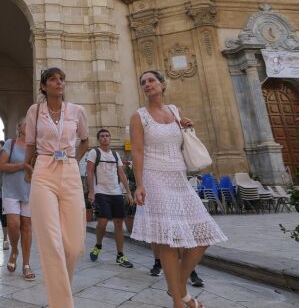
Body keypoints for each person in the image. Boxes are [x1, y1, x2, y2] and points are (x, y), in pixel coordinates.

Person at [130, 70, 227, 308]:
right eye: (143, 82)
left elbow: (183, 141)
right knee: (168, 241)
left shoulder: (175, 111)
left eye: (151, 80)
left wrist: (188, 127)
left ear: (162, 84)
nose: (147, 85)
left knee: (203, 237)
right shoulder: (139, 116)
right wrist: (140, 183)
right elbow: (138, 151)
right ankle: (179, 301)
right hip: (154, 178)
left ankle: (178, 288)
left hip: (179, 178)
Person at [23, 67, 89, 308]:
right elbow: (30, 143)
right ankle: (62, 304)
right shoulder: (35, 110)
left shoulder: (77, 111)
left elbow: (85, 140)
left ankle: (60, 296)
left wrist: (74, 160)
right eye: (53, 79)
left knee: (74, 246)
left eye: (62, 78)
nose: (59, 82)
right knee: (51, 240)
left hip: (69, 169)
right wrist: (26, 166)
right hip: (43, 169)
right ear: (43, 86)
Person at [86, 128, 135, 268]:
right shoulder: (94, 152)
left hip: (116, 193)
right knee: (102, 222)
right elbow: (89, 172)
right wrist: (91, 191)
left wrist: (128, 192)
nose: (105, 138)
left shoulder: (115, 154)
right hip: (101, 192)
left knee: (119, 223)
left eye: (107, 136)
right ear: (98, 139)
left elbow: (122, 174)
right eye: (102, 136)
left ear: (110, 138)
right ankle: (98, 245)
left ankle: (120, 255)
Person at [0, 118, 35, 280]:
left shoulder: (36, 147)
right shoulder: (10, 144)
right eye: (26, 124)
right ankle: (14, 249)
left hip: (30, 190)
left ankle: (26, 264)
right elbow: (2, 166)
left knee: (27, 226)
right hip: (11, 190)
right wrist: (22, 165)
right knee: (14, 224)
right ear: (19, 128)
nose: (29, 126)